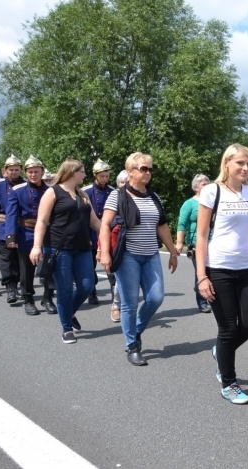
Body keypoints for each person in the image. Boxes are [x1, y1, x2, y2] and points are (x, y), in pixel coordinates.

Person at [99, 152, 179, 366]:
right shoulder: (117, 195)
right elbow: (105, 225)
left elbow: (162, 225)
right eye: (143, 168)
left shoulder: (154, 196)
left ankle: (135, 329)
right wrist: (105, 253)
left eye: (150, 169)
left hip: (151, 253)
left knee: (155, 298)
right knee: (130, 303)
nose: (148, 172)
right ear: (130, 171)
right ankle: (132, 345)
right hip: (128, 255)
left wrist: (172, 252)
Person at [194, 145, 248, 404]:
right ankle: (229, 383)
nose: (245, 168)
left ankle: (220, 351)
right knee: (228, 328)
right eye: (240, 163)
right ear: (227, 164)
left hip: (246, 267)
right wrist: (202, 276)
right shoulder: (212, 191)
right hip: (218, 267)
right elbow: (201, 236)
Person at [31, 160, 102, 343]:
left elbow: (94, 221)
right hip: (58, 248)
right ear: (72, 172)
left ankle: (68, 312)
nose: (85, 175)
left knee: (87, 286)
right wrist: (37, 246)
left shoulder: (82, 194)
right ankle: (67, 329)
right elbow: (42, 221)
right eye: (82, 171)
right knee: (64, 289)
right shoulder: (52, 192)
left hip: (82, 247)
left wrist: (109, 235)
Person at [6, 155, 50, 316]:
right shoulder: (17, 190)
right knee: (26, 270)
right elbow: (11, 214)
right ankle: (28, 299)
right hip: (26, 233)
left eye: (36, 171)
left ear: (42, 172)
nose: (33, 175)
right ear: (26, 173)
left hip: (48, 233)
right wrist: (11, 235)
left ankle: (47, 298)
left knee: (49, 267)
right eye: (30, 172)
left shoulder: (50, 190)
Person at [0, 155, 25, 303]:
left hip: (21, 228)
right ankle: (10, 288)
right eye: (11, 170)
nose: (14, 172)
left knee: (20, 259)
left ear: (21, 170)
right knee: (7, 258)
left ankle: (20, 284)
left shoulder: (26, 185)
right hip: (3, 227)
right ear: (5, 170)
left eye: (17, 169)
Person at [175, 173, 212, 313]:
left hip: (214, 242)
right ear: (196, 188)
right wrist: (179, 242)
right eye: (204, 184)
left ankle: (210, 295)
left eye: (208, 184)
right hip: (196, 243)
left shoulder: (213, 202)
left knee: (213, 271)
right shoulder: (189, 204)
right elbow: (182, 224)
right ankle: (202, 301)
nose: (207, 186)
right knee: (201, 271)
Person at [83, 159, 114, 306]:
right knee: (90, 265)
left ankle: (115, 291)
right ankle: (92, 293)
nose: (105, 179)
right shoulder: (85, 191)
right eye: (102, 176)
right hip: (90, 231)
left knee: (110, 263)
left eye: (107, 176)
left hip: (107, 230)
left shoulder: (113, 192)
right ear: (95, 175)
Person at [107, 169, 129, 322]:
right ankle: (116, 306)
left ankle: (128, 307)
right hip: (116, 243)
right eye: (122, 182)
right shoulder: (114, 197)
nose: (125, 185)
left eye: (128, 182)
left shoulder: (140, 196)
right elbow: (105, 225)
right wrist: (102, 250)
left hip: (135, 243)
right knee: (119, 278)